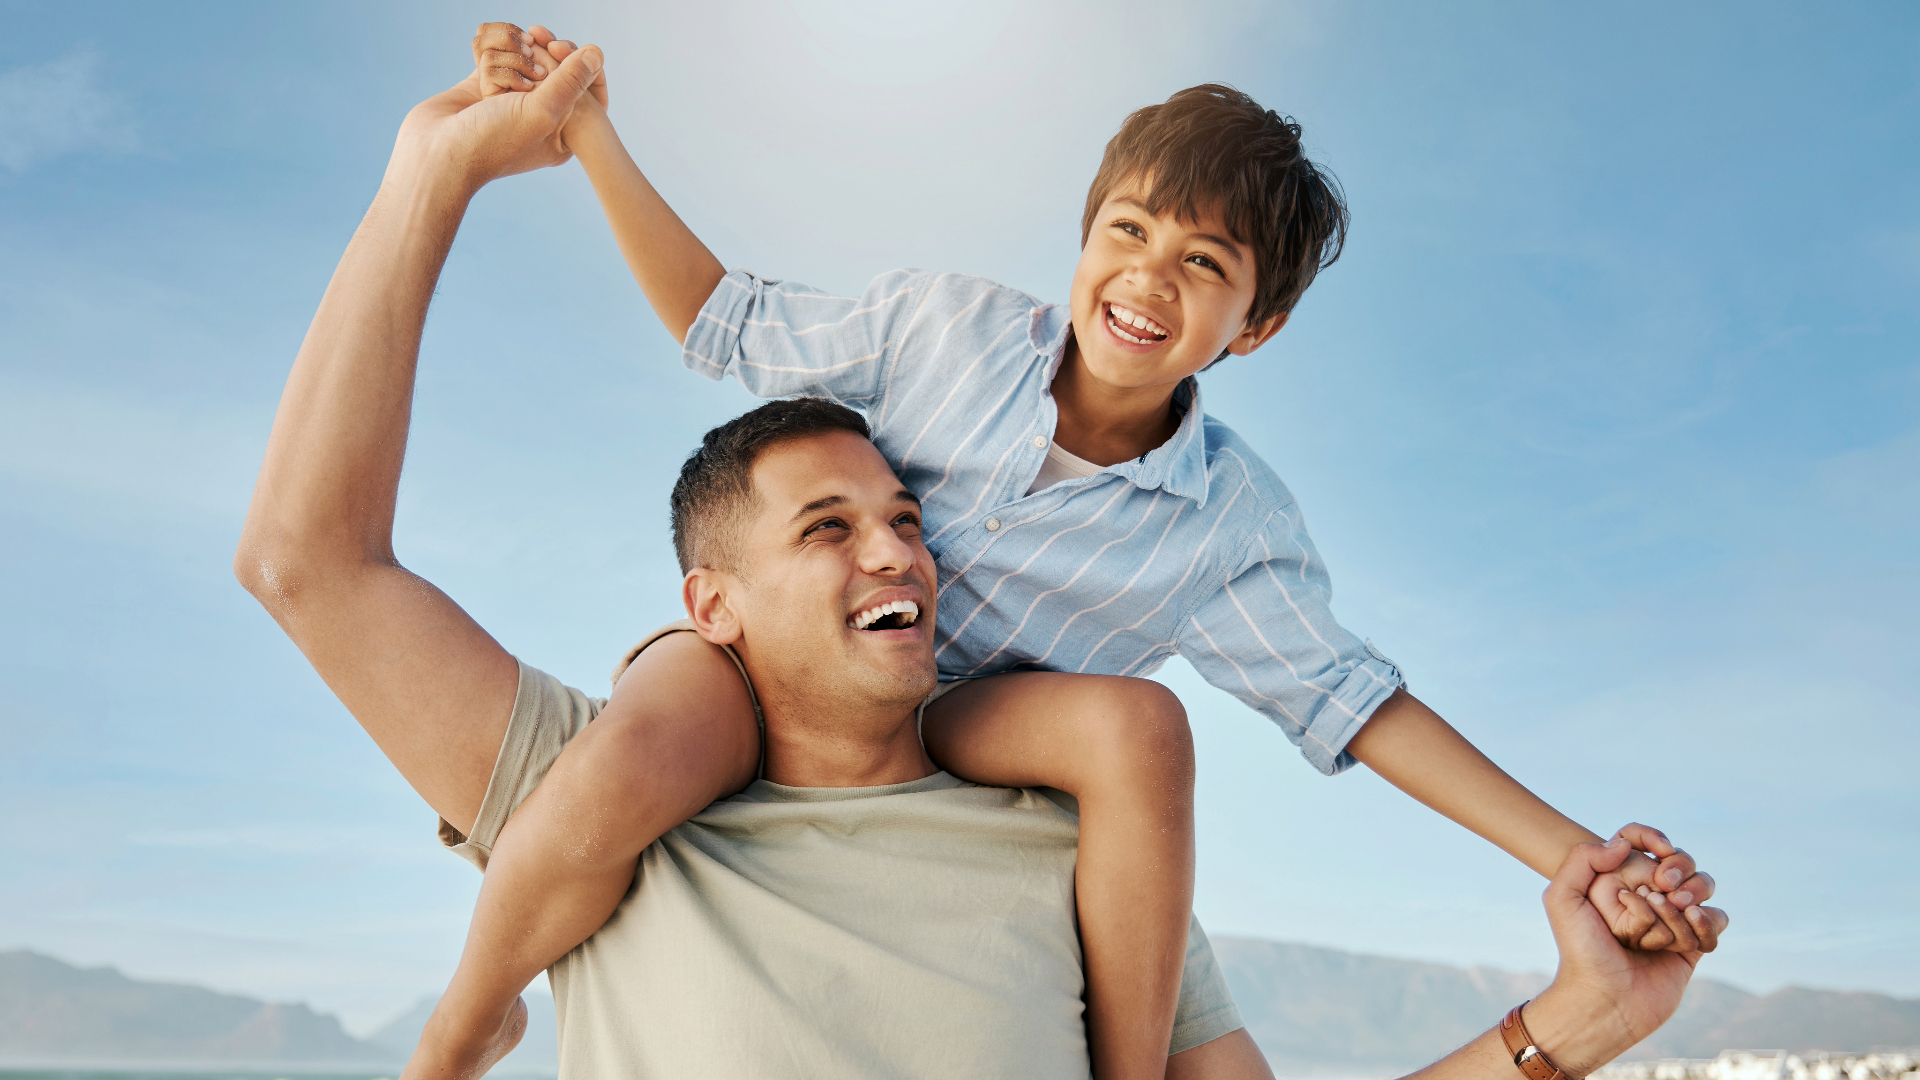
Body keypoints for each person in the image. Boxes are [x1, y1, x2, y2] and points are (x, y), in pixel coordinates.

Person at [234, 46, 1726, 1078]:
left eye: (1205, 267)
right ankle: (464, 1030)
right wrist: (560, 144)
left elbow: (1357, 704)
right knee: (645, 743)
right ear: (1079, 236)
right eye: (1130, 232)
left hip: (972, 723)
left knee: (1138, 724)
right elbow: (717, 323)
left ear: (1252, 329)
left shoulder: (1199, 580)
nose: (1149, 277)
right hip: (749, 705)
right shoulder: (941, 335)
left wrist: (1572, 910)